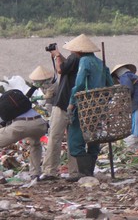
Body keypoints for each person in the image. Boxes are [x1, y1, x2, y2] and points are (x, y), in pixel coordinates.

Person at [66, 34, 114, 179]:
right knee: (93, 137)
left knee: (75, 138)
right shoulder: (101, 63)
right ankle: (89, 171)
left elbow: (80, 84)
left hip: (85, 105)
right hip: (99, 106)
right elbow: (110, 85)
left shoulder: (85, 61)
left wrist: (71, 103)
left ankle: (84, 172)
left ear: (79, 51)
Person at [40, 47, 81, 181]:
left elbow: (60, 69)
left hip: (63, 103)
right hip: (76, 106)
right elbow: (66, 66)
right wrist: (59, 56)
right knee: (73, 139)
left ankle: (50, 171)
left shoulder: (74, 58)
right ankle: (75, 171)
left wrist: (57, 55)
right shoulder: (84, 61)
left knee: (54, 137)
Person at [0, 88, 48, 181]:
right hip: (40, 123)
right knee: (35, 144)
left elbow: (3, 120)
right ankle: (35, 174)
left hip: (22, 126)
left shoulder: (4, 105)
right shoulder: (21, 102)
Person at [111, 63, 138, 138]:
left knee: (137, 125)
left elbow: (128, 89)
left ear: (117, 75)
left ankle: (136, 145)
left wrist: (122, 99)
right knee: (137, 122)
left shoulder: (124, 77)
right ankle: (136, 141)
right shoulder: (135, 77)